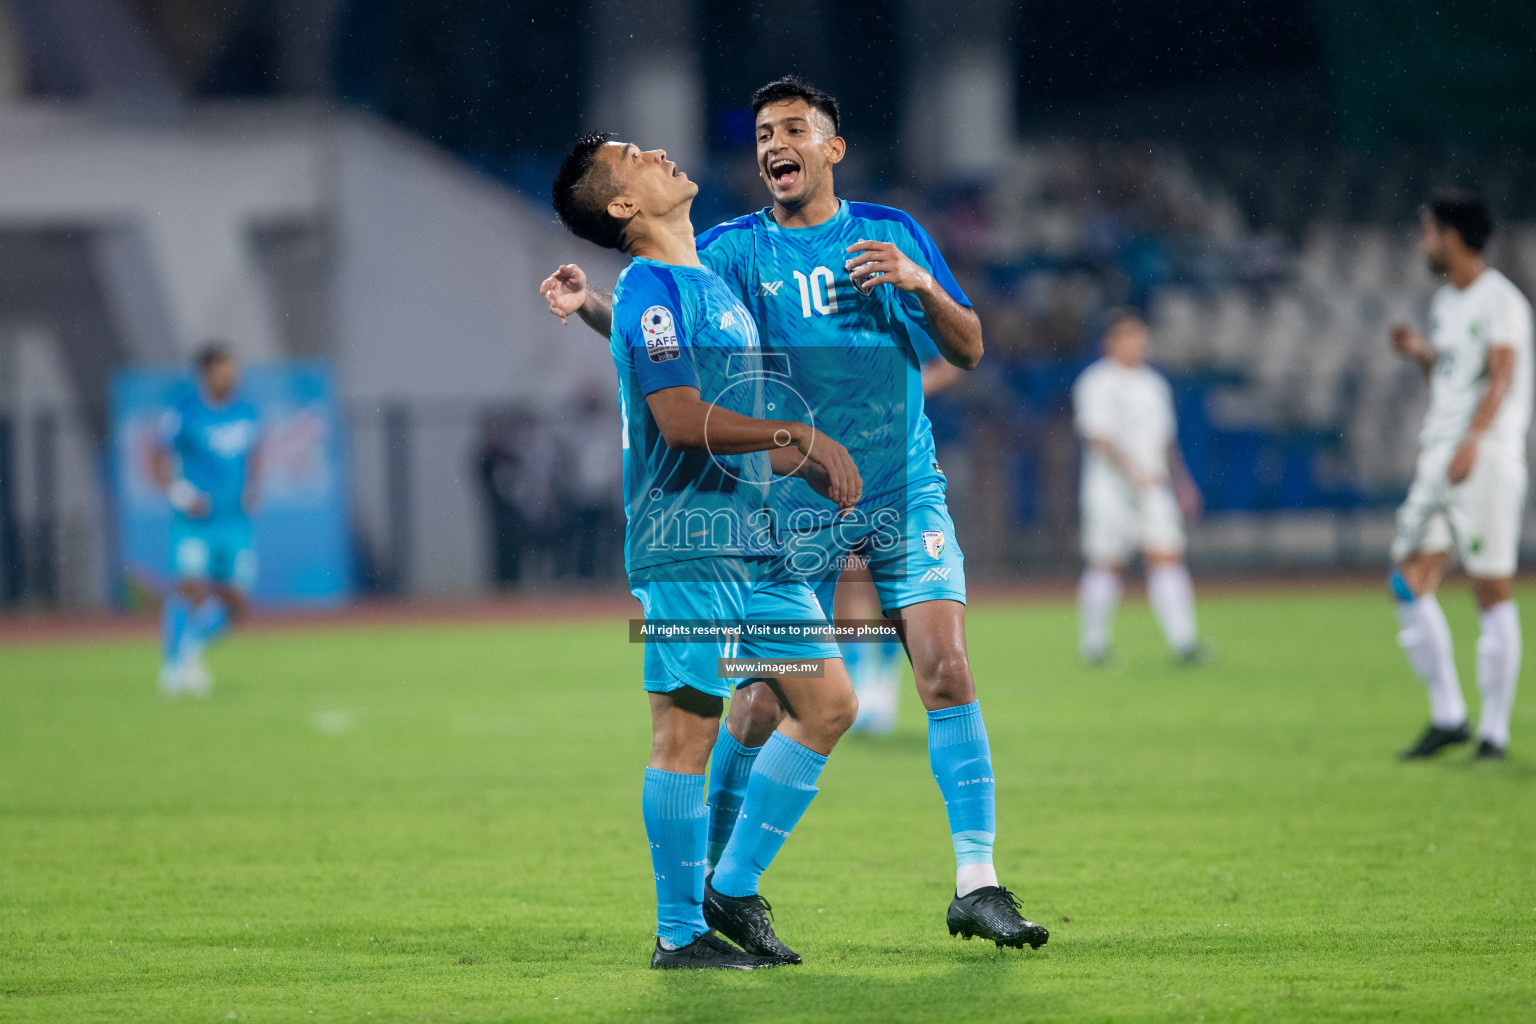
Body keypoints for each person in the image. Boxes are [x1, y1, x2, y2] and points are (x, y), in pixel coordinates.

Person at [541, 77, 1048, 951]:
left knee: (919, 675)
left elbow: (966, 344)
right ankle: (696, 908)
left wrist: (919, 284)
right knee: (736, 716)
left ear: (831, 146)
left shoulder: (872, 240)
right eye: (763, 130)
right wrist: (601, 307)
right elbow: (666, 364)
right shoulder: (724, 257)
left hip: (872, 493)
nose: (774, 141)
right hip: (746, 521)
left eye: (793, 127)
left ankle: (971, 880)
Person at [550, 131, 865, 969]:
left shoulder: (698, 283)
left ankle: (727, 885)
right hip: (687, 544)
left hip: (754, 543)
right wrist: (794, 432)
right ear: (622, 204)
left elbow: (649, 353)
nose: (655, 152)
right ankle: (678, 934)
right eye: (633, 156)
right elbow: (681, 419)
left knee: (829, 706)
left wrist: (592, 312)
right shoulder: (655, 282)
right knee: (684, 736)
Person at [1389, 189, 1532, 762]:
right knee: (1406, 577)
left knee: (1490, 589)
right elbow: (1454, 379)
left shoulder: (1503, 302)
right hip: (1438, 456)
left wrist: (1475, 440)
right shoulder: (1446, 302)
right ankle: (1449, 714)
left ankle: (1493, 732)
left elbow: (1502, 377)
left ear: (1451, 236)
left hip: (1485, 457)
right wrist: (1422, 354)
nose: (1424, 244)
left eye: (1427, 233)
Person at [1071, 311, 1205, 665]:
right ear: (1109, 343)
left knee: (1166, 555)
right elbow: (1098, 437)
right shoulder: (1096, 382)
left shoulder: (1154, 384)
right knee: (1107, 563)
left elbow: (1165, 441)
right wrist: (1133, 471)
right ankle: (1094, 645)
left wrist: (1182, 482)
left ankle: (1184, 642)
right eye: (1128, 337)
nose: (1136, 344)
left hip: (1152, 486)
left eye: (1140, 337)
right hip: (1109, 490)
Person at [151, 344, 262, 696]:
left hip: (234, 521)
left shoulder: (247, 411)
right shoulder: (184, 412)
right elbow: (156, 456)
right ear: (208, 371)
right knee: (189, 587)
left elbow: (255, 454)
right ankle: (172, 665)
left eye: (234, 368)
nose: (233, 375)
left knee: (237, 602)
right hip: (195, 521)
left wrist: (254, 486)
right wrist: (180, 494)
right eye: (226, 368)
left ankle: (190, 647)